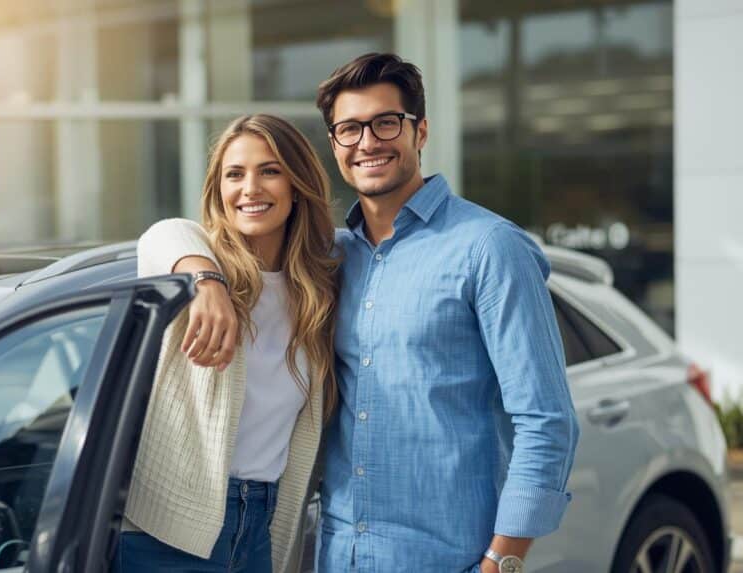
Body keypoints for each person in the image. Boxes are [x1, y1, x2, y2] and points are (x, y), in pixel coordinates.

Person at [147, 53, 580, 573]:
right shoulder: (329, 261)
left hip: (447, 556)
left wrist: (501, 562)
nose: (368, 142)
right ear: (334, 145)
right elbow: (169, 234)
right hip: (341, 554)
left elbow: (546, 421)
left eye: (385, 123)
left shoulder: (489, 248)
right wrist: (205, 277)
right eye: (350, 129)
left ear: (420, 132)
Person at [115, 114, 339, 573]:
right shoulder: (197, 262)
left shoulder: (318, 290)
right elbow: (161, 233)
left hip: (262, 524)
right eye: (234, 174)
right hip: (168, 531)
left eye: (270, 171)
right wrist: (207, 280)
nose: (250, 188)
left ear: (297, 185)